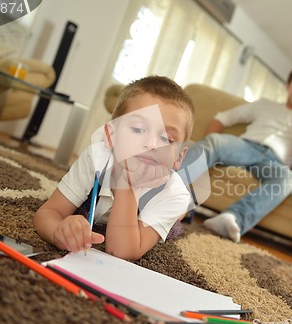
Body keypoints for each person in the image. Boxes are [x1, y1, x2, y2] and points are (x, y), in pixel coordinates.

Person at [182, 66, 292, 243]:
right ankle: (169, 187)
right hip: (245, 147)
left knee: (289, 179)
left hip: (275, 162)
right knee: (215, 141)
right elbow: (222, 117)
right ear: (288, 87)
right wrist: (207, 148)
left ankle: (232, 218)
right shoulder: (264, 105)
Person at [33, 76, 194, 261]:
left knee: (178, 217)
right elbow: (47, 213)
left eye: (166, 139)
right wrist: (58, 231)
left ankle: (184, 211)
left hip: (160, 202)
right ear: (111, 135)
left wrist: (128, 184)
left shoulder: (173, 194)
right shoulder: (97, 157)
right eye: (138, 129)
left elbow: (122, 251)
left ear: (179, 157)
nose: (151, 144)